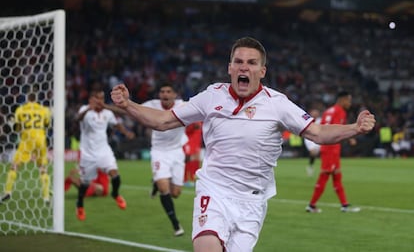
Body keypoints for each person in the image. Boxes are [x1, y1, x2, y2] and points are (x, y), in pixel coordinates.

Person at [110, 37, 376, 252]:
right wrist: (128, 105)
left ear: (262, 71)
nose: (244, 67)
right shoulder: (211, 95)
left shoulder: (278, 104)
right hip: (214, 190)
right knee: (206, 247)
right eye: (238, 62)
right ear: (229, 68)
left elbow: (317, 133)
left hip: (252, 202)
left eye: (251, 63)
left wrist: (354, 127)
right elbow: (164, 120)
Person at [75, 89, 135, 221]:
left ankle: (115, 194)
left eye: (102, 98)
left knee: (115, 175)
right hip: (88, 154)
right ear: (91, 99)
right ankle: (79, 205)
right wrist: (88, 109)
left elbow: (118, 123)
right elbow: (77, 119)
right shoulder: (85, 110)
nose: (99, 101)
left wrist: (126, 132)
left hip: (104, 151)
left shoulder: (107, 112)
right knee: (85, 184)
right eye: (97, 98)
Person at [143, 82, 186, 237]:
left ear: (175, 94)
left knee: (175, 193)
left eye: (168, 91)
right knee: (164, 189)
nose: (165, 94)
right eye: (162, 91)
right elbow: (130, 109)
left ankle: (156, 181)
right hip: (159, 152)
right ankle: (176, 225)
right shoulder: (151, 105)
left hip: (176, 152)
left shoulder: (183, 106)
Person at [306, 91, 360, 213]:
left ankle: (345, 205)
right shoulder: (339, 111)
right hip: (331, 148)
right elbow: (335, 129)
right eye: (348, 100)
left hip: (331, 147)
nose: (349, 103)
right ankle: (311, 205)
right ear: (342, 99)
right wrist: (350, 137)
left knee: (336, 175)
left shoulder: (329, 111)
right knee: (325, 175)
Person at [1, 92, 51, 204]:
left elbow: (16, 128)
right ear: (37, 99)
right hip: (40, 140)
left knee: (14, 166)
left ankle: (8, 192)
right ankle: (46, 196)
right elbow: (47, 125)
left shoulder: (21, 109)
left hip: (26, 140)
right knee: (42, 168)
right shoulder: (44, 110)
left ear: (27, 99)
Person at [183, 121, 203, 187]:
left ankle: (193, 178)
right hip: (189, 139)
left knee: (196, 159)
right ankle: (185, 179)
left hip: (197, 138)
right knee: (187, 158)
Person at [303, 108, 321, 176]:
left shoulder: (320, 120)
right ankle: (310, 167)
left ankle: (327, 167)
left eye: (316, 113)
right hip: (309, 138)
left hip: (319, 137)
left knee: (319, 153)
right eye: (314, 113)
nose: (315, 114)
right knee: (313, 152)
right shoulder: (307, 119)